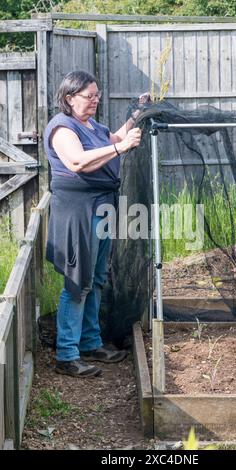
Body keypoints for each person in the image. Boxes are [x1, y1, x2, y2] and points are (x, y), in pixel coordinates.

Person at [44, 70, 143, 378]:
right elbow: (77, 162)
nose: (95, 101)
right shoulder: (62, 128)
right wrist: (120, 147)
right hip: (77, 212)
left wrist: (135, 116)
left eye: (97, 95)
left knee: (97, 278)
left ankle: (89, 342)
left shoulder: (92, 125)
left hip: (101, 209)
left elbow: (112, 138)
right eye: (89, 96)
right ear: (69, 98)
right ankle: (67, 355)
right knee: (77, 282)